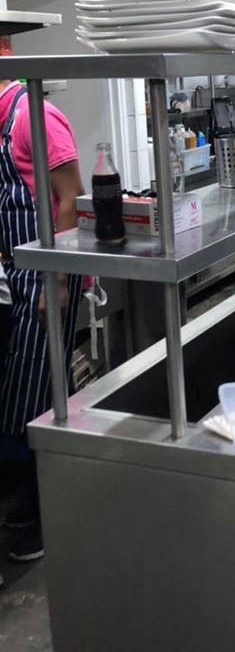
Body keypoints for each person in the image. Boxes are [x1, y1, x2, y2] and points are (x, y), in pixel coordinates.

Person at [0, 78, 84, 564]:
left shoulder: (34, 117)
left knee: (38, 399)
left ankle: (54, 516)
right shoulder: (2, 125)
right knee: (31, 392)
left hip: (49, 278)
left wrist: (57, 283)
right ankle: (40, 499)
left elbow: (71, 198)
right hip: (19, 274)